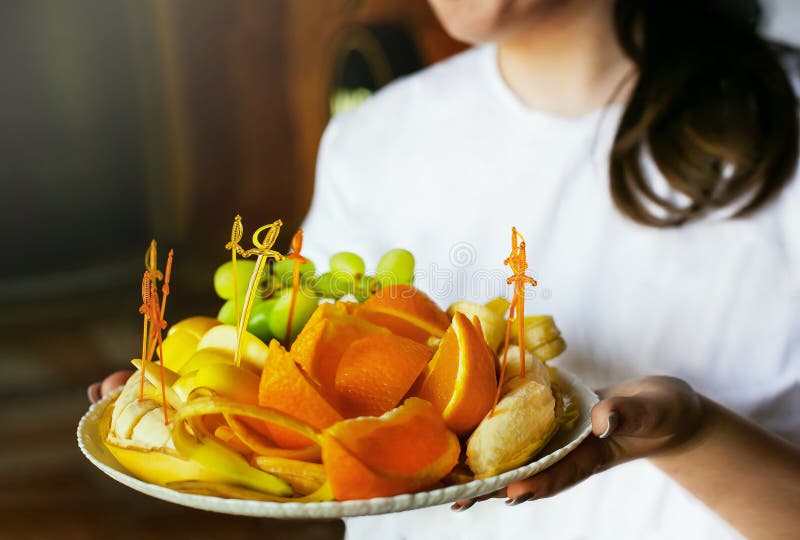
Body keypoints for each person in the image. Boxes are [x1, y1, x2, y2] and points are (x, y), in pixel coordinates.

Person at [92, 0, 800, 538]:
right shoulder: (376, 138)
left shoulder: (783, 133)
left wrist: (695, 434)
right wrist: (215, 425)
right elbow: (300, 400)